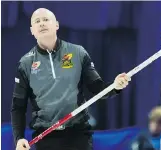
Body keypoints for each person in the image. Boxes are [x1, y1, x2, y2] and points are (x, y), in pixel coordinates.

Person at [11, 8, 131, 150]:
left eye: (46, 20)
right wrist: (19, 138)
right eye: (37, 21)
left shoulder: (77, 53)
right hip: (45, 137)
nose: (42, 24)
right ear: (32, 30)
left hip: (78, 135)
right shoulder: (25, 63)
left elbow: (97, 88)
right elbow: (18, 106)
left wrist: (115, 86)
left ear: (56, 24)